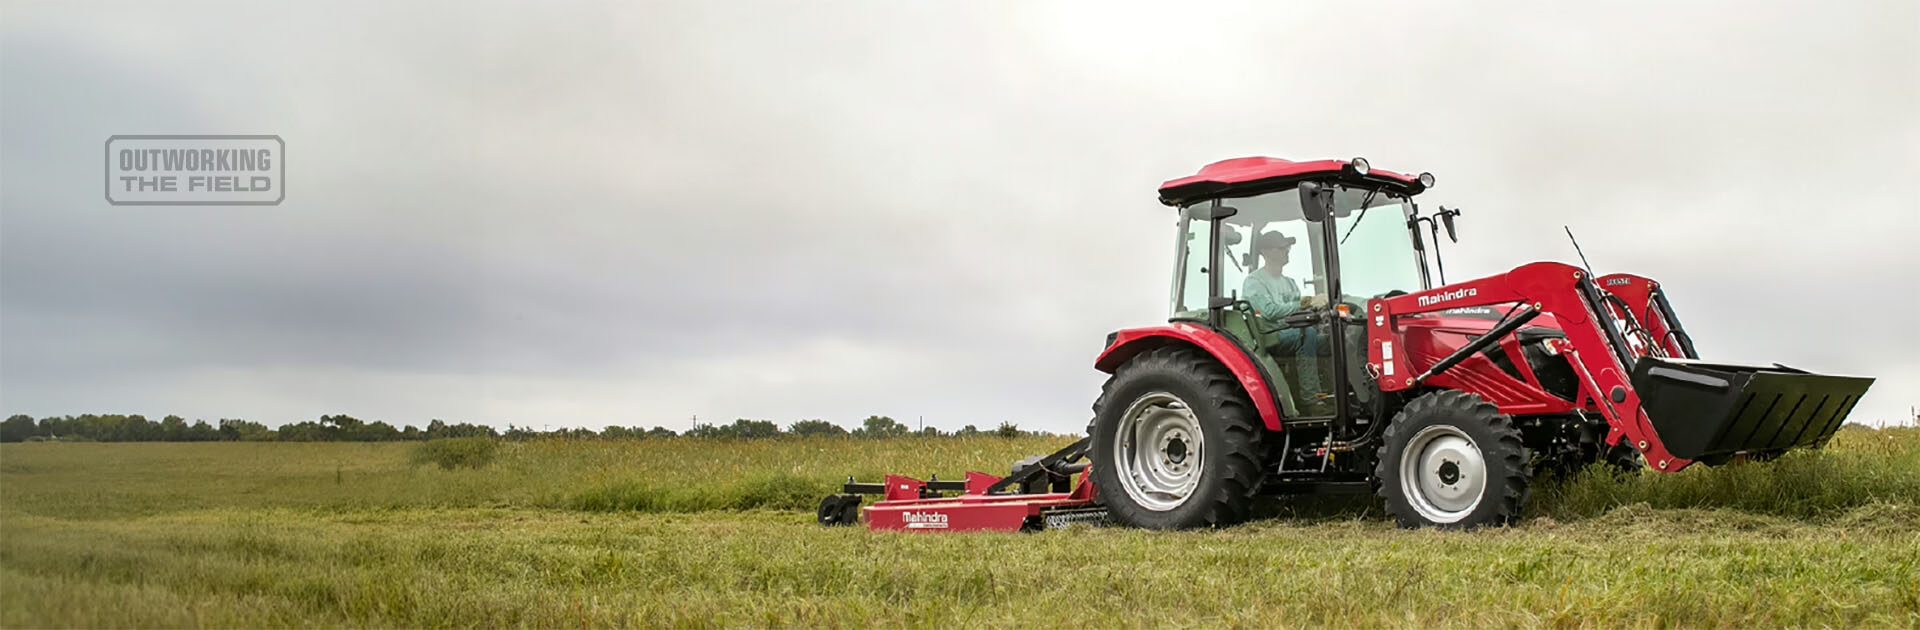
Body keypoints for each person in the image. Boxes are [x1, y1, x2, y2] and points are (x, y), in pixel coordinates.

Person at [1242, 231, 1328, 410]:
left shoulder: (1289, 282)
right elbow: (1269, 312)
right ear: (1265, 252)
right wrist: (1306, 303)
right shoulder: (1254, 282)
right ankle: (1311, 398)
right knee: (1307, 335)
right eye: (1280, 248)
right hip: (1270, 334)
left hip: (1290, 330)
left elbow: (1299, 307)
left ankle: (1330, 391)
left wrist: (1318, 306)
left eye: (1287, 247)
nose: (1286, 251)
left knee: (1330, 338)